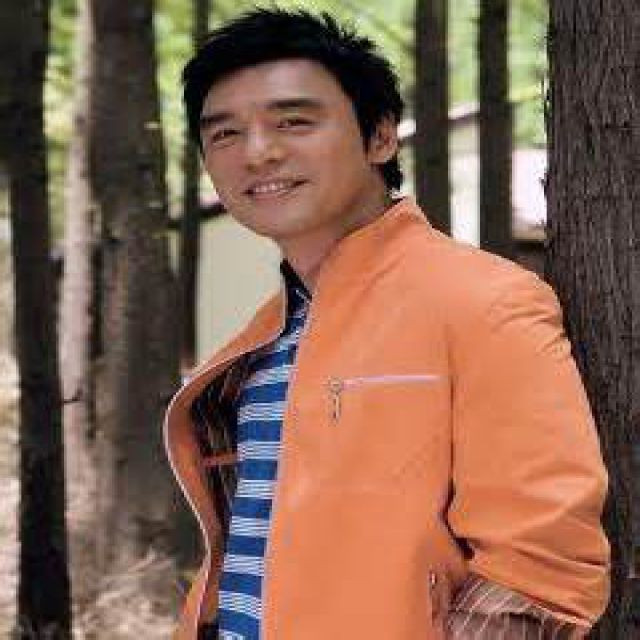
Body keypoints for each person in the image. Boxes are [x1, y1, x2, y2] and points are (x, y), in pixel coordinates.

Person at [165, 9, 610, 640]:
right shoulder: (262, 338)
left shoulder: (484, 302)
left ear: (379, 137)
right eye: (225, 134)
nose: (258, 152)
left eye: (293, 121)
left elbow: (541, 571)